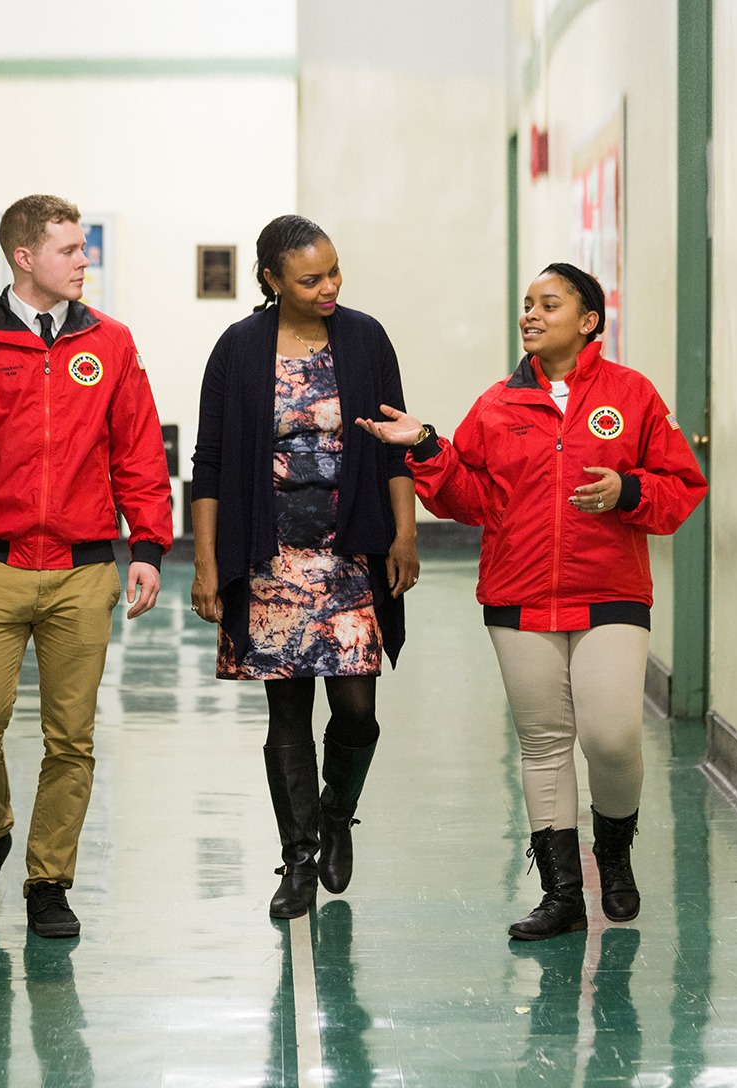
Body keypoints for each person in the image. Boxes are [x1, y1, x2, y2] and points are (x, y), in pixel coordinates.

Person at [357, 263, 706, 941]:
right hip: (518, 594)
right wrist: (429, 447)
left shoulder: (632, 396)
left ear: (589, 321)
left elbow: (681, 486)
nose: (531, 315)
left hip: (610, 591)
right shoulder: (497, 405)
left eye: (549, 304)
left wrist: (628, 492)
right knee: (544, 743)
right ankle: (562, 893)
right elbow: (470, 498)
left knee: (612, 737)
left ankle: (613, 850)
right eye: (526, 305)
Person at [0, 194, 173, 939]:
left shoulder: (113, 346)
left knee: (72, 738)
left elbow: (137, 451)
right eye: (69, 249)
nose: (84, 260)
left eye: (85, 247)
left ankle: (48, 881)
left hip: (83, 570)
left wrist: (149, 546)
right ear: (24, 258)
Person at [190, 215, 418, 920]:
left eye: (334, 272)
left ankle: (337, 813)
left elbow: (393, 445)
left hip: (350, 554)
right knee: (286, 710)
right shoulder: (239, 348)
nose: (329, 287)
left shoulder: (365, 337)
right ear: (272, 281)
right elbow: (209, 463)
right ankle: (298, 859)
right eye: (310, 278)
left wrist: (405, 533)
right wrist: (205, 561)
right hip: (269, 557)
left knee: (357, 707)